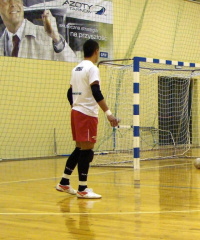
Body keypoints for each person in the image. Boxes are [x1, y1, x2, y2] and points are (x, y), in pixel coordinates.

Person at [55, 39, 118, 199]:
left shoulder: (76, 68)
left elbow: (69, 93)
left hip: (76, 112)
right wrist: (109, 113)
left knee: (80, 148)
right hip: (87, 113)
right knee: (87, 150)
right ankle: (82, 188)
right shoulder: (92, 69)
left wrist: (76, 106)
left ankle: (64, 181)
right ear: (96, 51)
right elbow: (96, 92)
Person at [0, 0, 77, 61]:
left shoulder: (47, 37)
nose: (13, 3)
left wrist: (56, 38)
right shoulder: (2, 43)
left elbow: (75, 69)